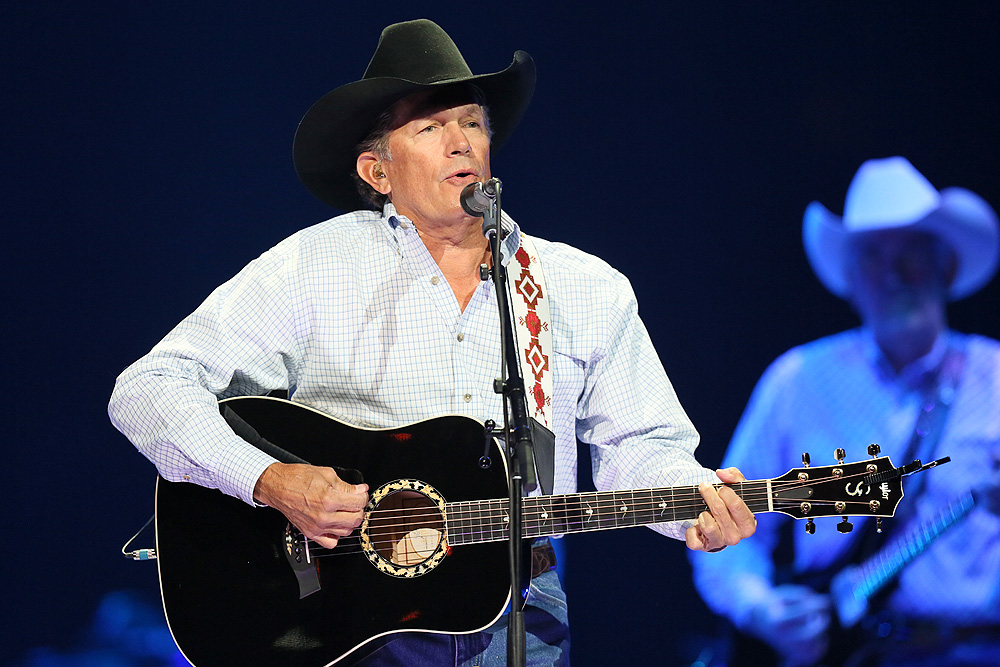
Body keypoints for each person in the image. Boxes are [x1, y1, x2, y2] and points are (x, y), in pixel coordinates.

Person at [108, 19, 755, 667]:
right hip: (343, 615)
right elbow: (147, 389)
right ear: (377, 171)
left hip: (522, 607)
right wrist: (271, 480)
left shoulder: (582, 287)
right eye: (429, 127)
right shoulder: (311, 268)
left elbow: (641, 446)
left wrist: (696, 504)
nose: (460, 141)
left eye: (473, 122)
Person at [689, 156, 1000, 667]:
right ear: (850, 277)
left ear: (946, 267)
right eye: (873, 255)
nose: (894, 273)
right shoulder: (799, 380)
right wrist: (761, 609)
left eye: (913, 252)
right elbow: (723, 522)